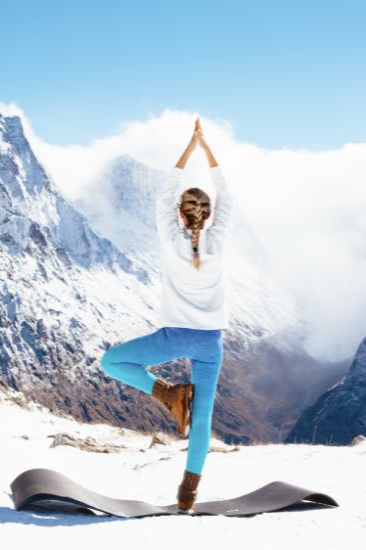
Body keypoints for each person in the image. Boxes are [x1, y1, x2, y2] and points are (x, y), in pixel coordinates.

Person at [100, 117, 233, 513]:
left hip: (173, 337)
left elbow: (163, 195)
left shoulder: (171, 239)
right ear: (208, 216)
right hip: (210, 342)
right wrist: (207, 151)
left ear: (180, 213)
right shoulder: (220, 240)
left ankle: (167, 394)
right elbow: (226, 193)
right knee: (203, 418)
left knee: (112, 361)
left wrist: (188, 148)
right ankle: (186, 497)